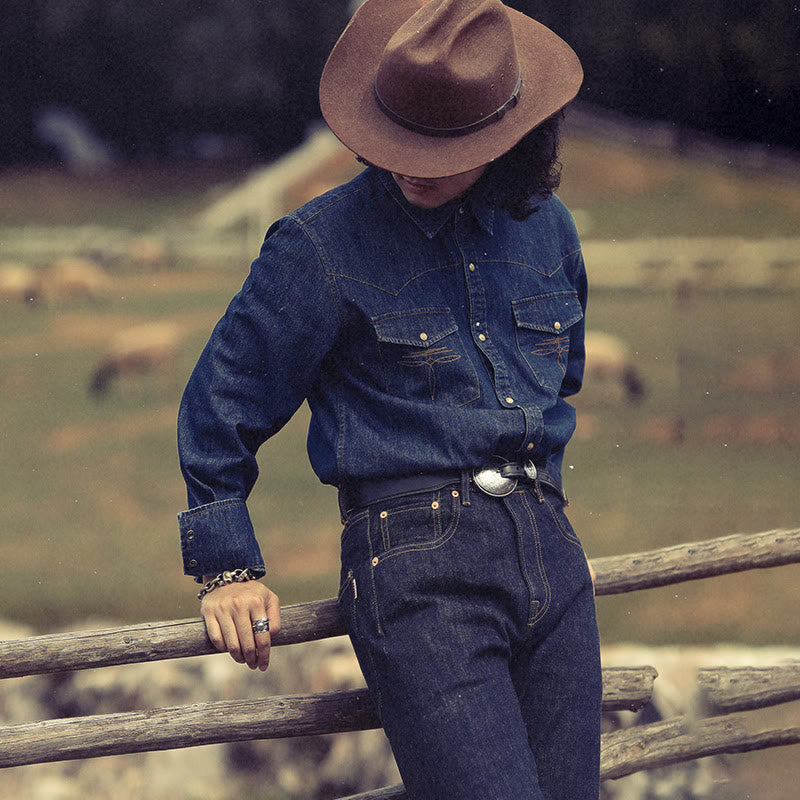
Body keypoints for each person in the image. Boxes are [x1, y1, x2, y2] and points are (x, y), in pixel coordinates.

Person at [177, 1, 601, 798]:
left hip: (550, 548)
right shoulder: (318, 246)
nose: (412, 165)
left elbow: (560, 378)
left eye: (443, 149)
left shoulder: (551, 231)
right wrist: (226, 567)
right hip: (418, 569)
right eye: (400, 138)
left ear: (504, 136)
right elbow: (219, 403)